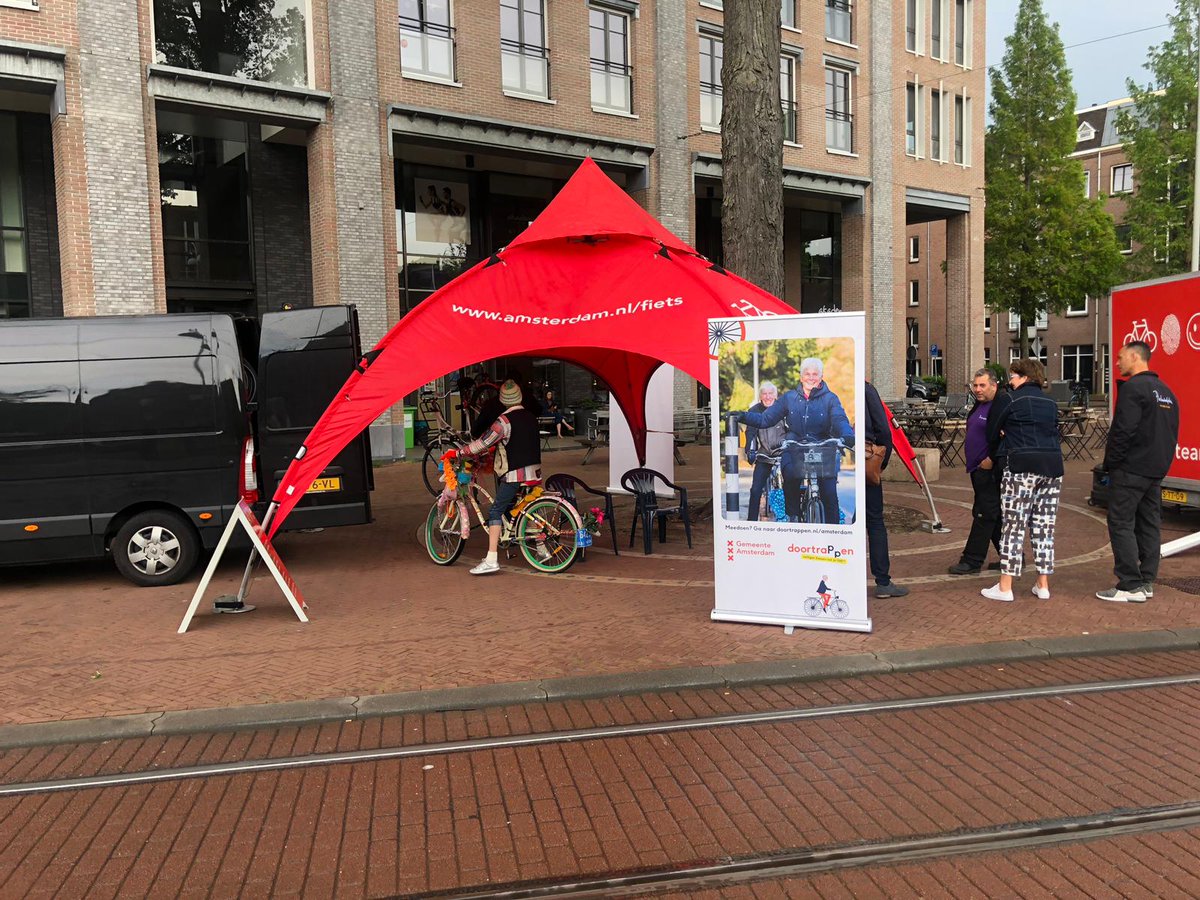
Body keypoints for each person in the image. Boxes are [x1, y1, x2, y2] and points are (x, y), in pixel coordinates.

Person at [1096, 341, 1180, 603]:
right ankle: (1146, 581)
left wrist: (1111, 464)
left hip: (1131, 469)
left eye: (1120, 358)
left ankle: (1129, 584)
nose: (1117, 363)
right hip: (1155, 470)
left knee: (1121, 522)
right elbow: (1171, 433)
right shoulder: (1166, 392)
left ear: (1135, 356)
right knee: (1149, 524)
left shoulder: (1133, 389)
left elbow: (1122, 432)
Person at [980, 358, 1064, 602]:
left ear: (1024, 377)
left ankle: (1005, 586)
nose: (1010, 381)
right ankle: (1043, 584)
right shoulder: (1050, 402)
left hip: (1021, 466)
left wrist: (1004, 437)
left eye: (1013, 376)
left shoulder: (1009, 398)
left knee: (1013, 525)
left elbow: (991, 431)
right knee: (1044, 526)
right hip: (1052, 467)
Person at [740, 358, 854, 523]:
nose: (811, 377)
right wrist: (742, 416)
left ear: (821, 377)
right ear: (801, 377)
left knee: (829, 494)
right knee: (791, 477)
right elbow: (765, 419)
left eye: (815, 374)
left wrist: (847, 434)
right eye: (807, 374)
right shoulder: (789, 398)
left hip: (823, 446)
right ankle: (793, 517)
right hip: (796, 447)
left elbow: (839, 418)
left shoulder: (831, 398)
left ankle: (833, 533)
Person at [451, 379, 543, 576]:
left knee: (495, 511)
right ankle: (542, 550)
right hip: (534, 473)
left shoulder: (503, 422)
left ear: (502, 401)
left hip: (514, 474)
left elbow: (482, 444)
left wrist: (460, 453)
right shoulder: (530, 417)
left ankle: (491, 558)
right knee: (530, 509)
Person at [948, 368, 1004, 575]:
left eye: (982, 385)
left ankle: (972, 560)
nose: (978, 389)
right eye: (975, 385)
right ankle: (1011, 557)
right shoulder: (979, 405)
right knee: (993, 514)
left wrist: (991, 459)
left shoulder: (1000, 405)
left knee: (984, 513)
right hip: (977, 469)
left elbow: (1006, 436)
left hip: (989, 471)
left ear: (994, 385)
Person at [864, 381, 908, 598]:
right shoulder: (866, 389)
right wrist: (880, 463)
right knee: (874, 521)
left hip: (838, 462)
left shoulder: (829, 386)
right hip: (864, 462)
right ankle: (882, 581)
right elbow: (883, 429)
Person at [744, 382, 787, 521]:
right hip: (764, 455)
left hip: (784, 453)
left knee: (793, 485)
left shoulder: (784, 409)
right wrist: (750, 451)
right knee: (755, 490)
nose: (767, 397)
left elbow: (793, 429)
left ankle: (795, 519)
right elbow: (750, 434)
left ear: (775, 395)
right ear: (760, 396)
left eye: (770, 393)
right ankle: (751, 523)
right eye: (764, 394)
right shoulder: (754, 411)